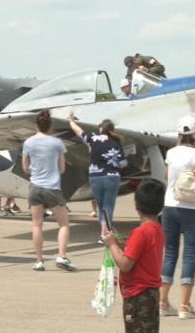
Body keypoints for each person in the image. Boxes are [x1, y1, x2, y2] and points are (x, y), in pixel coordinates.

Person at [104, 178, 166, 333]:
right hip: (150, 294)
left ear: (136, 205)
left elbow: (125, 264)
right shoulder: (157, 229)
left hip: (137, 296)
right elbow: (136, 256)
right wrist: (121, 243)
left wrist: (112, 244)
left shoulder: (141, 232)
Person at [159, 116, 195, 319]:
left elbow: (166, 176)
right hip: (192, 208)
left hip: (170, 206)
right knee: (189, 255)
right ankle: (184, 306)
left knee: (170, 253)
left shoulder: (171, 153)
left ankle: (162, 303)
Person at [22, 109, 76, 272]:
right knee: (63, 224)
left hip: (35, 187)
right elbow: (62, 168)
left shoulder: (28, 142)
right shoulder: (57, 143)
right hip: (52, 187)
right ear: (50, 125)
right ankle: (61, 256)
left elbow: (25, 168)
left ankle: (39, 261)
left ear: (36, 125)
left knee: (37, 225)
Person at [68, 113, 128, 243]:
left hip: (95, 177)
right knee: (108, 206)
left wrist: (71, 121)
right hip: (112, 177)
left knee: (101, 207)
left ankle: (103, 234)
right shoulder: (116, 142)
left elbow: (79, 131)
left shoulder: (93, 139)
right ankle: (105, 234)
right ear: (112, 130)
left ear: (101, 128)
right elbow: (123, 163)